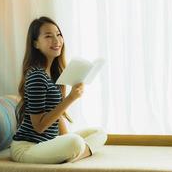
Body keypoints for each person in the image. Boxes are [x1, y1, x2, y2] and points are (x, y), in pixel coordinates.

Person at [10, 16, 107, 164]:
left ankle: (72, 156)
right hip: (28, 147)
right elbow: (39, 126)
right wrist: (71, 98)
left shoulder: (54, 74)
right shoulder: (36, 76)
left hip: (48, 142)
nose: (57, 40)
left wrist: (66, 139)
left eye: (58, 34)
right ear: (35, 43)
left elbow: (58, 115)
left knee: (99, 133)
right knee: (75, 142)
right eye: (48, 36)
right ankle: (72, 155)